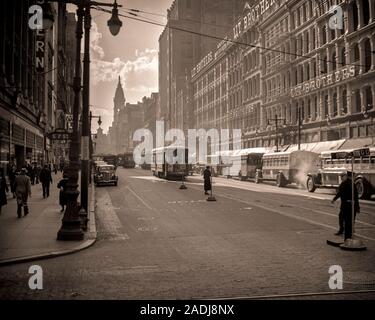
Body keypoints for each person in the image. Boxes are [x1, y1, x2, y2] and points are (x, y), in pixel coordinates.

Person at [331, 171, 360, 240]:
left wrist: (357, 207)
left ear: (346, 176)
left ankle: (349, 233)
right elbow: (339, 193)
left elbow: (355, 196)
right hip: (344, 205)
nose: (341, 178)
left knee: (349, 220)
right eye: (341, 176)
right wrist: (334, 199)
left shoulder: (351, 184)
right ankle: (342, 230)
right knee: (341, 217)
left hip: (350, 205)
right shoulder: (343, 184)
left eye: (342, 176)